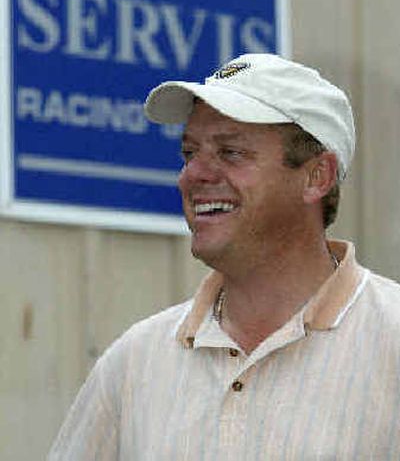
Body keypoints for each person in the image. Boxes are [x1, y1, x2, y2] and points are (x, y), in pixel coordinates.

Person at [48, 54, 400, 460]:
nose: (192, 175)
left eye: (230, 152)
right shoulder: (135, 363)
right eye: (189, 153)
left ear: (315, 176)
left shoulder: (389, 340)